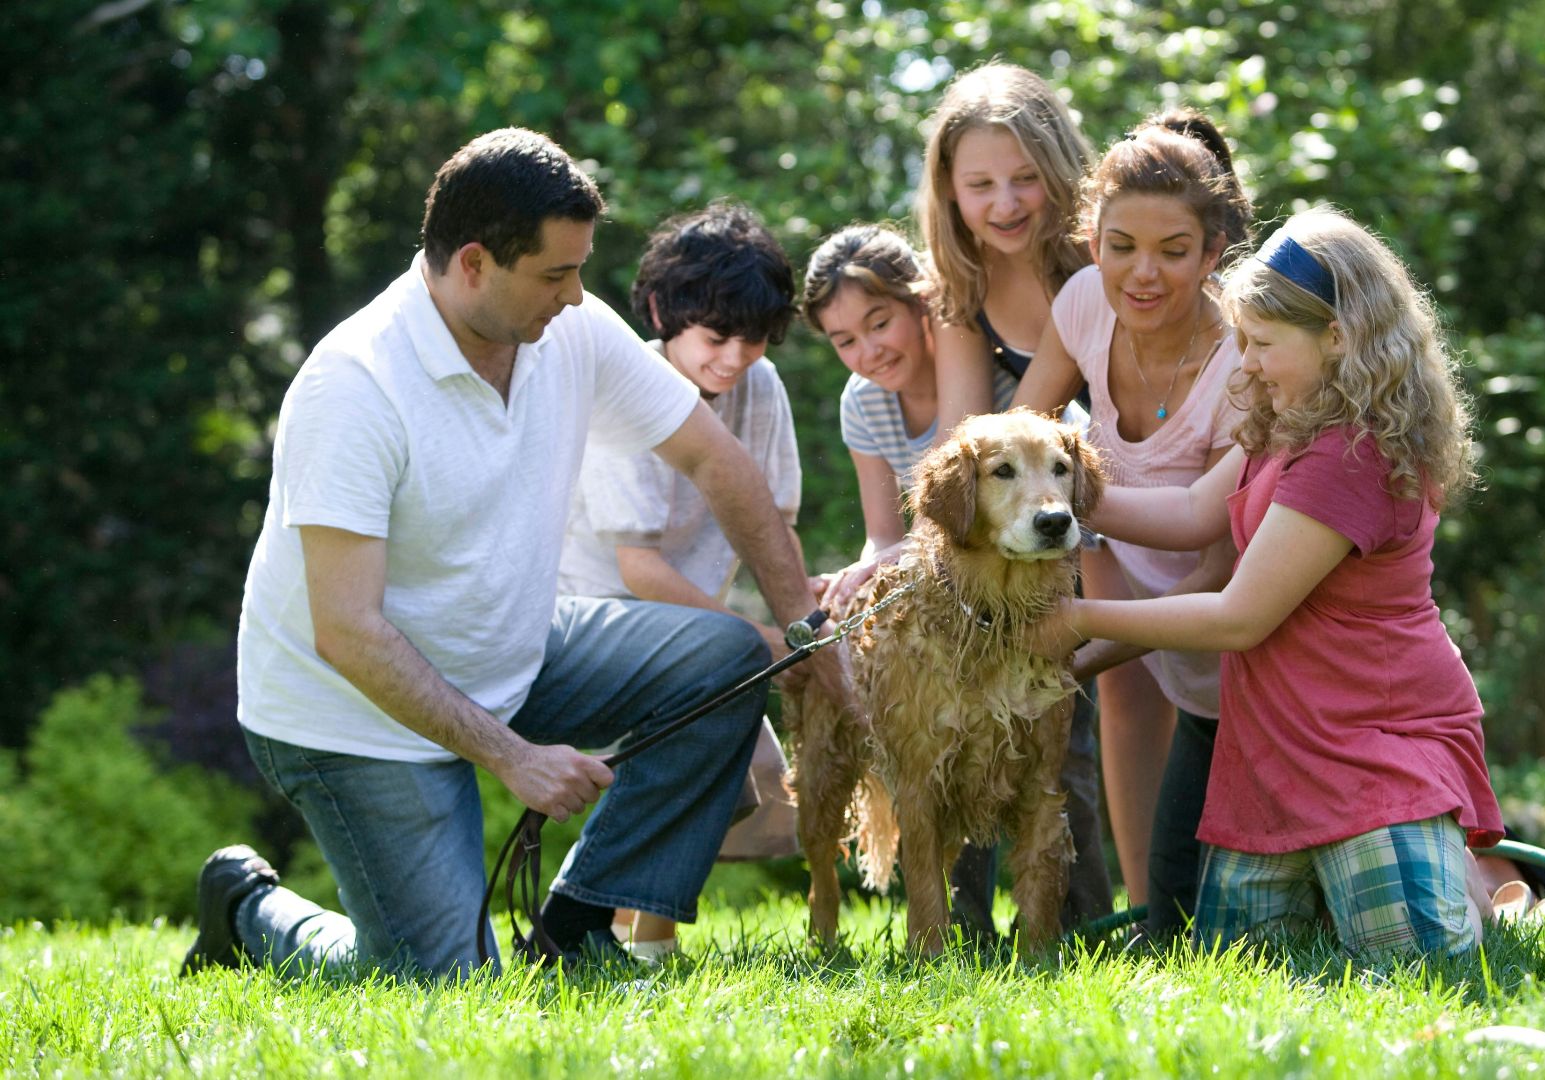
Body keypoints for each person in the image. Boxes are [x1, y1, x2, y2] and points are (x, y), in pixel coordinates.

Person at [181, 128, 851, 980]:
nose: (575, 297)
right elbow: (345, 630)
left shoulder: (567, 329)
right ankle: (248, 910)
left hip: (514, 647)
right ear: (472, 264)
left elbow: (716, 461)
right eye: (555, 274)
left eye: (579, 270)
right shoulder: (352, 385)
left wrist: (804, 631)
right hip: (354, 714)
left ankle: (574, 932)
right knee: (444, 982)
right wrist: (512, 756)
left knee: (725, 657)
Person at [1033, 207, 1505, 961]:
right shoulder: (1289, 421)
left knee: (1419, 959)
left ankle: (1497, 899)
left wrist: (1077, 618)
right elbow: (1191, 512)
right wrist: (1048, 493)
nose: (1242, 363)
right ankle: (1468, 886)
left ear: (1339, 338)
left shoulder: (1351, 454)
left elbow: (1238, 618)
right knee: (1237, 969)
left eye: (1259, 344)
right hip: (1276, 759)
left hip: (1369, 754)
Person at [802, 223, 1111, 942]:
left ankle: (1080, 926)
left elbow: (1062, 489)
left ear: (923, 305)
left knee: (1065, 768)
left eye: (880, 322)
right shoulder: (863, 403)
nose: (869, 349)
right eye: (845, 339)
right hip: (938, 598)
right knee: (940, 761)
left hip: (1036, 601)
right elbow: (886, 532)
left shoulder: (1006, 395)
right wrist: (861, 575)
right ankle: (955, 935)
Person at [1012, 109, 1249, 934]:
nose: (1142, 274)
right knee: (1174, 917)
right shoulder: (1082, 305)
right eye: (1121, 247)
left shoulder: (1244, 363)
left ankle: (1507, 881)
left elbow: (1219, 571)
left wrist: (1075, 651)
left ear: (1214, 252)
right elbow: (1019, 438)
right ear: (1092, 239)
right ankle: (1151, 918)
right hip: (1152, 638)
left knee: (1271, 906)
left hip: (1251, 662)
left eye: (1173, 252)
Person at [555, 200, 806, 962]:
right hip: (597, 618)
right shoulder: (621, 385)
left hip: (693, 627)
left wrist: (802, 622)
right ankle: (632, 939)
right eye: (716, 337)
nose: (734, 358)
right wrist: (755, 639)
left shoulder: (759, 391)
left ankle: (634, 934)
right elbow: (641, 570)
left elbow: (774, 527)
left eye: (754, 340)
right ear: (664, 312)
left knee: (736, 761)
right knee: (708, 739)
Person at [916, 62, 1094, 441]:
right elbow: (960, 434)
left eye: (1027, 178)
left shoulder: (1105, 249)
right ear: (948, 185)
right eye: (981, 185)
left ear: (1058, 168)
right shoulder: (962, 282)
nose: (1006, 205)